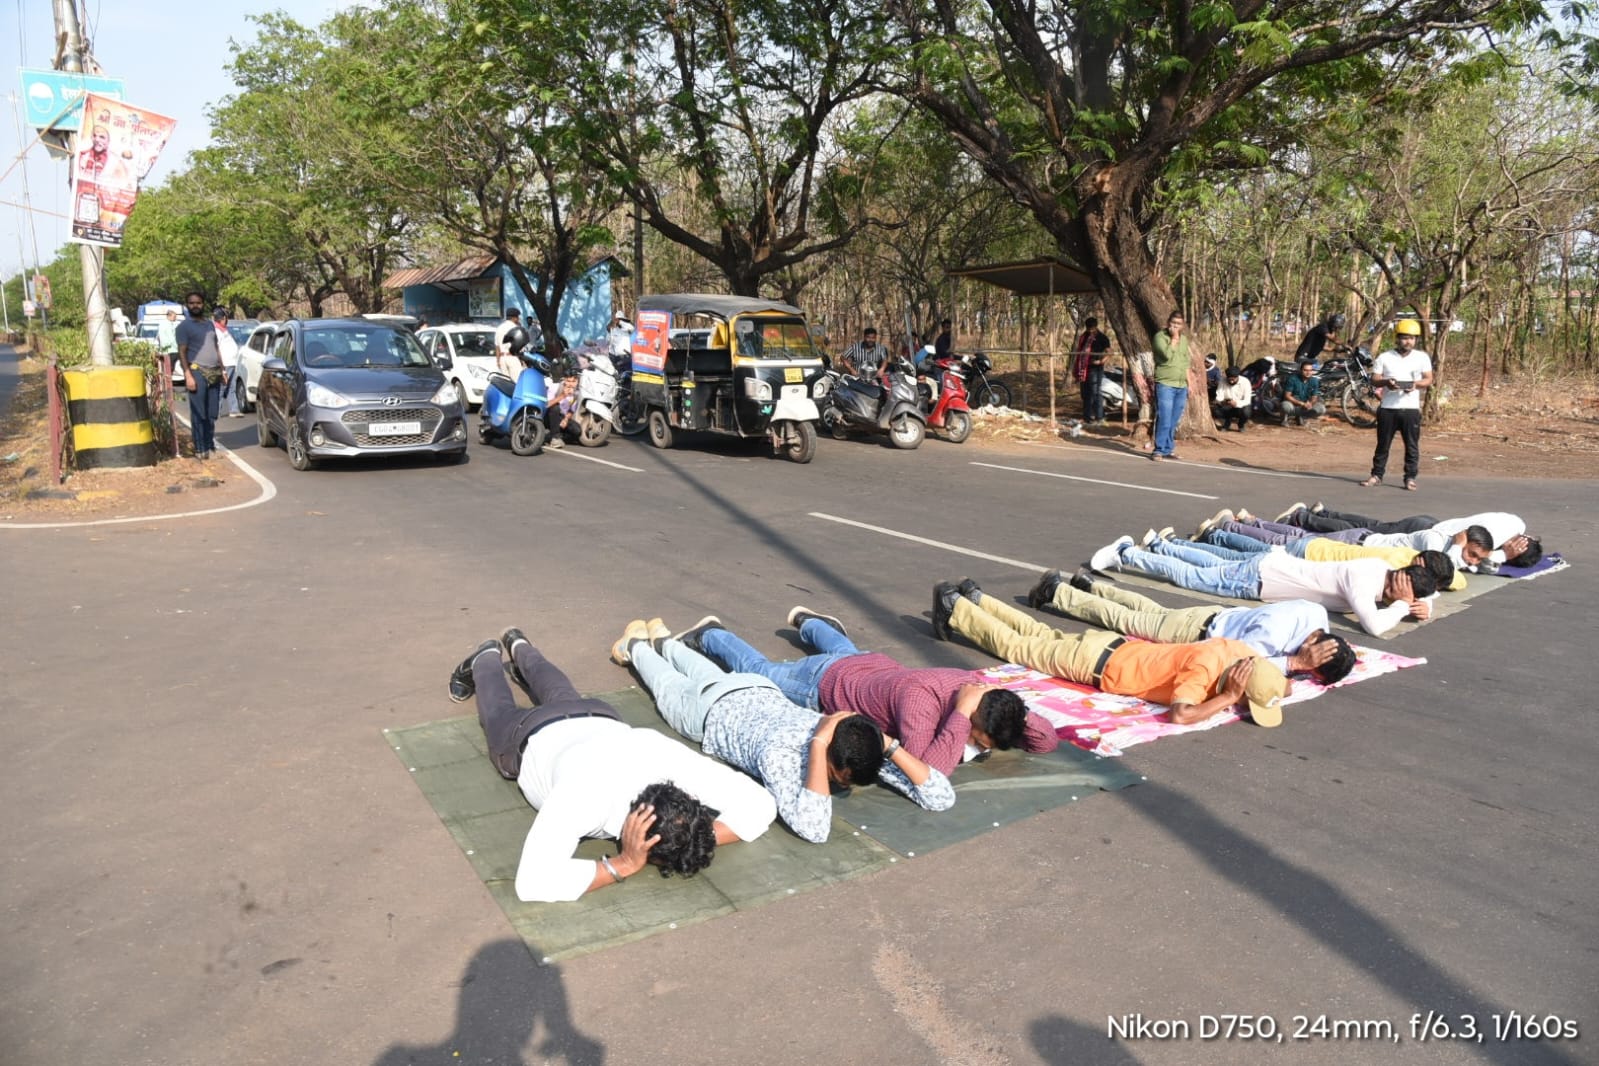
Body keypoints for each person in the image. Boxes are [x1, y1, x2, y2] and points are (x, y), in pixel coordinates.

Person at [445, 627, 775, 903]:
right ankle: (485, 657)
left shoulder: (671, 765)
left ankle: (519, 645)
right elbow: (532, 882)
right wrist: (624, 863)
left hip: (596, 716)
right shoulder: (584, 798)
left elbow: (763, 803)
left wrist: (693, 835)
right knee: (498, 712)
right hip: (529, 733)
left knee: (559, 691)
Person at [614, 623, 954, 842]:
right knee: (665, 681)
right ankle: (637, 646)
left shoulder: (852, 741)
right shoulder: (782, 754)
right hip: (706, 712)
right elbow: (815, 828)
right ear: (831, 756)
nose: (845, 786)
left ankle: (664, 640)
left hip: (749, 687)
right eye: (842, 778)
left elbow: (942, 796)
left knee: (698, 668)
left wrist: (888, 744)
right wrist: (817, 746)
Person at [689, 607, 1059, 776]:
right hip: (824, 683)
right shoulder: (921, 700)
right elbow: (927, 770)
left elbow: (1047, 741)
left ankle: (810, 623)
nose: (976, 745)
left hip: (871, 667)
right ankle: (711, 634)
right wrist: (961, 716)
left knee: (846, 651)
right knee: (762, 673)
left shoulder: (983, 693)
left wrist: (1020, 714)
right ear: (971, 711)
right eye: (977, 739)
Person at [929, 582, 1291, 728]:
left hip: (1113, 646)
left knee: (1039, 634)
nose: (1240, 708)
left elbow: (1281, 685)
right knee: (1018, 646)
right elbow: (1181, 715)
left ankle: (979, 600)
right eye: (1244, 702)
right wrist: (1226, 697)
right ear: (1237, 685)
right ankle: (956, 606)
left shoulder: (1238, 652)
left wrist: (1269, 688)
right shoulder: (1203, 672)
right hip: (1094, 664)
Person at [1024, 569, 1355, 684]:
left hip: (1216, 616)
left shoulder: (1318, 617)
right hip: (1198, 631)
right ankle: (1058, 592)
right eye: (1312, 669)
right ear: (1313, 642)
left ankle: (1091, 586)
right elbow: (1244, 664)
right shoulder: (1275, 634)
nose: (1307, 673)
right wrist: (1294, 663)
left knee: (1151, 611)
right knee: (1130, 621)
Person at [1089, 532, 1439, 637]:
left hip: (1270, 568)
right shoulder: (1363, 581)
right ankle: (1126, 553)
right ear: (1404, 587)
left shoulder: (1382, 568)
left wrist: (1422, 604)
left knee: (1209, 564)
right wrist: (1400, 607)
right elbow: (1374, 626)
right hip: (1261, 580)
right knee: (1189, 577)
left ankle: (1157, 546)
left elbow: (1429, 591)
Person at [1188, 520, 1465, 591]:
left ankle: (1223, 531)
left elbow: (1456, 581)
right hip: (1314, 555)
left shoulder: (1412, 558)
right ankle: (1221, 532)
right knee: (1263, 548)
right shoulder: (1390, 567)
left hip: (1323, 550)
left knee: (1275, 542)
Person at [1278, 505, 1540, 572]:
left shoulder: (1515, 523)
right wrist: (1503, 555)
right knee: (1364, 532)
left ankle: (1321, 513)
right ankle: (1305, 518)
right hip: (1426, 531)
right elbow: (1465, 563)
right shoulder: (1497, 539)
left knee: (1371, 526)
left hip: (1429, 526)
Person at [1363, 319, 1433, 491]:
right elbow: (1374, 379)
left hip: (1410, 409)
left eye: (1412, 338)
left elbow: (1428, 379)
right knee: (1383, 445)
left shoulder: (1422, 357)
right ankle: (1376, 475)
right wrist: (1387, 382)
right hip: (1388, 408)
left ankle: (1410, 477)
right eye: (1404, 338)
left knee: (1412, 446)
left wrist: (1415, 385)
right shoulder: (1385, 357)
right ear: (1397, 338)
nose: (1408, 341)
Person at [175, 291, 224, 459]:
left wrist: (223, 369)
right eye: (191, 303)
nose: (195, 306)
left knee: (211, 413)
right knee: (199, 413)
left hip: (214, 372)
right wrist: (188, 375)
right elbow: (182, 352)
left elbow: (216, 347)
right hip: (197, 371)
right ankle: (200, 449)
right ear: (187, 305)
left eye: (198, 303)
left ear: (203, 304)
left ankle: (209, 445)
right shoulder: (183, 327)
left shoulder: (210, 324)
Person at [1150, 311, 1191, 461]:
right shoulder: (1160, 337)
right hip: (1165, 384)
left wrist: (1189, 383)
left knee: (1173, 421)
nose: (1175, 326)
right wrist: (1174, 339)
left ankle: (1168, 449)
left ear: (1182, 325)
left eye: (1178, 324)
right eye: (1173, 323)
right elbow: (1167, 355)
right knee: (1165, 418)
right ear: (1168, 323)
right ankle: (1158, 450)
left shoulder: (1184, 340)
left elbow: (1186, 362)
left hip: (1181, 385)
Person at [1073, 317, 1112, 425]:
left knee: (1095, 392)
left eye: (1092, 328)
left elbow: (1109, 352)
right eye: (1088, 328)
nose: (1090, 330)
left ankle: (1100, 417)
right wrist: (1076, 367)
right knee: (1085, 393)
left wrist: (1100, 362)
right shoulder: (1084, 336)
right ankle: (1087, 417)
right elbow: (1080, 352)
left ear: (1095, 326)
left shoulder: (1102, 338)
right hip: (1084, 368)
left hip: (1095, 369)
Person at [213, 309, 241, 418]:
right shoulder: (217, 331)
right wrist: (222, 368)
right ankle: (216, 411)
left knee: (231, 387)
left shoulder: (223, 330)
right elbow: (217, 349)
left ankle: (234, 409)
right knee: (222, 387)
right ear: (223, 318)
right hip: (225, 363)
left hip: (232, 362)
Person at [1281, 359, 1326, 426]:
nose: (1308, 373)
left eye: (1310, 370)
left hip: (1305, 406)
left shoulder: (1315, 381)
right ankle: (1284, 419)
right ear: (1301, 370)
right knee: (1285, 406)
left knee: (1321, 409)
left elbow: (1314, 396)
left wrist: (1310, 403)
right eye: (1305, 370)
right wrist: (1301, 403)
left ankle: (1302, 417)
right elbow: (1287, 396)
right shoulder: (1292, 379)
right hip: (1294, 405)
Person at [1212, 365, 1252, 432]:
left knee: (1247, 411)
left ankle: (1241, 424)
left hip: (1240, 407)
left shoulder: (1245, 382)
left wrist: (1237, 403)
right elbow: (1219, 396)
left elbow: (1247, 400)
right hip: (1227, 405)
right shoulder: (1222, 381)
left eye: (1233, 379)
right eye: (1229, 379)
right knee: (1216, 410)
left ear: (1237, 377)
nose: (1231, 381)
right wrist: (1223, 401)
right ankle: (1226, 423)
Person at [494, 307, 524, 372]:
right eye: (517, 317)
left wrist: (498, 361)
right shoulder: (516, 328)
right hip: (513, 358)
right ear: (514, 318)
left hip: (502, 358)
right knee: (518, 378)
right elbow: (520, 346)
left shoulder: (499, 328)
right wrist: (522, 361)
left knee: (505, 378)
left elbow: (497, 346)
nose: (518, 319)